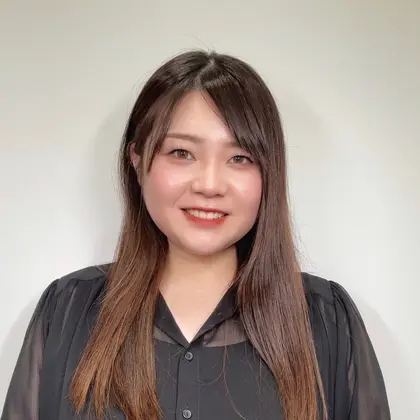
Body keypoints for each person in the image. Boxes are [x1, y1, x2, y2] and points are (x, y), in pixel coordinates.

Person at [1, 50, 390, 420]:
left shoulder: (328, 321)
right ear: (137, 159)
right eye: (181, 153)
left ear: (268, 173)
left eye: (240, 158)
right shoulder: (66, 312)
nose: (209, 184)